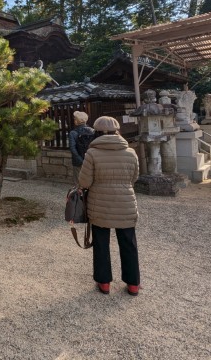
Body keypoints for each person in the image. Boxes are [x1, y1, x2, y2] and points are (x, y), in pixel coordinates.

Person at [78, 116, 141, 296]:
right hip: (126, 203)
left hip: (100, 204)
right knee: (128, 243)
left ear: (96, 133)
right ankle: (133, 284)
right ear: (117, 131)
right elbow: (134, 178)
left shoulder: (92, 154)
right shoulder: (131, 152)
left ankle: (104, 282)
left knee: (101, 243)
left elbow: (84, 182)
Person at [68, 111, 95, 185]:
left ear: (76, 121)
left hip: (77, 162)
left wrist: (80, 160)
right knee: (91, 181)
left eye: (74, 119)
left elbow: (72, 148)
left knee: (78, 183)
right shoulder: (93, 131)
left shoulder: (73, 133)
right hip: (90, 160)